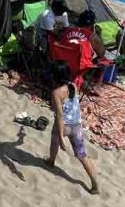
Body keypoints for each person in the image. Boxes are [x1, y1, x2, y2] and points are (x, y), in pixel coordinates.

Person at [44, 61, 99, 195]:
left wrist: (62, 137)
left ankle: (51, 161)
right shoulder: (74, 85)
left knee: (55, 142)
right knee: (82, 155)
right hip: (77, 126)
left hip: (65, 125)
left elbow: (59, 115)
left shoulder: (56, 92)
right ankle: (95, 184)